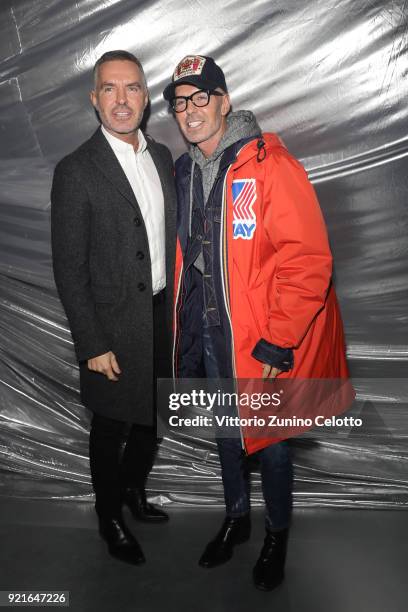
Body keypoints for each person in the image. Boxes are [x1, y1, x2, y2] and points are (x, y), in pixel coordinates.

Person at [163, 55, 354, 590]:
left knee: (269, 440)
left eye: (201, 98)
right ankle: (236, 519)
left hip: (258, 332)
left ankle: (276, 535)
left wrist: (277, 342)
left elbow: (308, 260)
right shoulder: (184, 168)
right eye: (180, 103)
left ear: (224, 101)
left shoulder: (269, 165)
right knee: (228, 429)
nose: (190, 111)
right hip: (209, 325)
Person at [51, 50, 176, 565]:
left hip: (162, 314)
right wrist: (92, 343)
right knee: (110, 427)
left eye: (132, 88)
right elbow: (68, 267)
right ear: (94, 99)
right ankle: (109, 516)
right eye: (110, 88)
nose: (121, 100)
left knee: (150, 418)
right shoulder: (76, 170)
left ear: (145, 99)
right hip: (110, 326)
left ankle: (133, 491)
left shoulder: (163, 157)